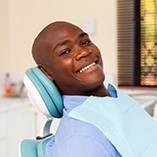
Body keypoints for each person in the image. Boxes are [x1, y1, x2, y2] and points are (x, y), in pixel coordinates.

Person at [31, 21, 157, 157]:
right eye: (66, 51)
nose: (84, 52)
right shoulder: (80, 138)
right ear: (47, 72)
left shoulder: (114, 97)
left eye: (85, 42)